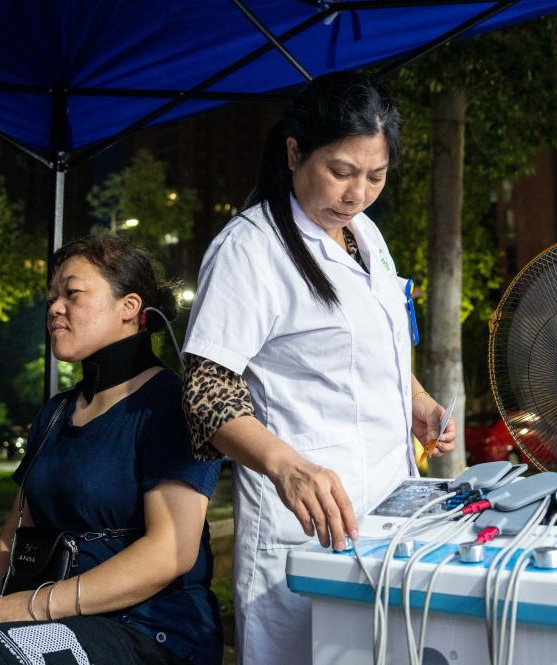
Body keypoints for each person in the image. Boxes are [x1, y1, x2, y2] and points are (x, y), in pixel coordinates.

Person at [181, 71, 457, 664]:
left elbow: (368, 343)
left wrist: (417, 400)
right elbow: (205, 389)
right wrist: (287, 467)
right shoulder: (249, 248)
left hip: (391, 513)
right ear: (294, 153)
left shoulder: (366, 235)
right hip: (300, 526)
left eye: (375, 176)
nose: (357, 193)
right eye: (341, 171)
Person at [0, 235, 223, 665]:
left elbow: (170, 552)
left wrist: (32, 606)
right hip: (53, 618)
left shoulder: (169, 405)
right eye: (51, 297)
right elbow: (14, 530)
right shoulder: (54, 413)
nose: (54, 308)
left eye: (73, 293)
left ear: (130, 307)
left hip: (149, 632)